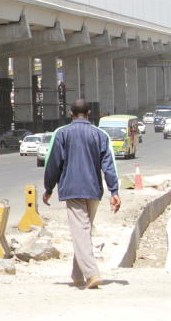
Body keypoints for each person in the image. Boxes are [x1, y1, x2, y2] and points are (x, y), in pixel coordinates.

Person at [43, 98, 120, 290]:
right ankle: (77, 275)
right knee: (83, 231)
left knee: (81, 231)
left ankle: (92, 274)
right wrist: (114, 191)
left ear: (71, 114)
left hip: (72, 189)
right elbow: (108, 166)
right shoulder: (100, 135)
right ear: (88, 114)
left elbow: (54, 164)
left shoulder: (62, 134)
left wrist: (48, 188)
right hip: (93, 190)